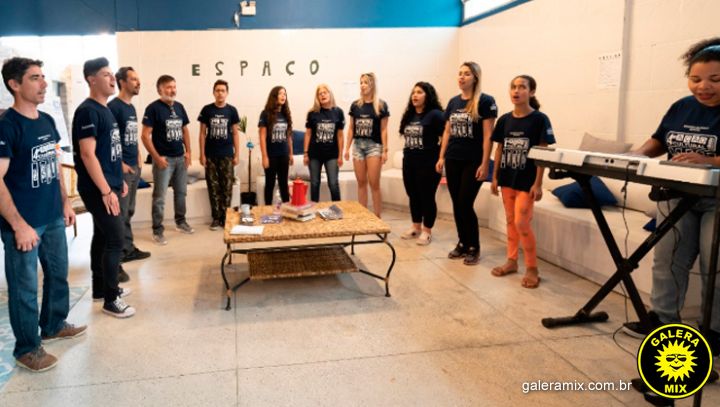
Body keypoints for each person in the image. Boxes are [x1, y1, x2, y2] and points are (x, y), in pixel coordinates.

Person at [621, 37, 720, 399]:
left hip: (715, 200)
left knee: (714, 268)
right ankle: (664, 330)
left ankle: (710, 343)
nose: (703, 86)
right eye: (695, 79)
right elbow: (658, 141)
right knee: (667, 263)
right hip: (676, 195)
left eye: (715, 79)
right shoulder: (681, 107)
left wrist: (708, 160)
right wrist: (635, 155)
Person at [0, 57, 86, 372]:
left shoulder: (47, 120)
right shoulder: (7, 126)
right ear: (14, 84)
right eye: (35, 78)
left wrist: (64, 203)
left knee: (58, 273)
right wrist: (18, 225)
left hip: (52, 216)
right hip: (23, 222)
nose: (44, 83)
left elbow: (55, 167)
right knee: (24, 288)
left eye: (43, 76)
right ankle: (27, 349)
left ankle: (53, 324)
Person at [72, 57, 135, 318]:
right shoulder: (88, 111)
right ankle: (111, 299)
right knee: (116, 239)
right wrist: (106, 191)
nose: (112, 79)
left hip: (109, 183)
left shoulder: (105, 109)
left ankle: (101, 289)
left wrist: (118, 180)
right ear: (91, 79)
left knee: (102, 236)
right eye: (106, 75)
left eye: (112, 74)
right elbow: (87, 155)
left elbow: (109, 151)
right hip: (97, 188)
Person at [490, 75, 555, 288]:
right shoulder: (504, 120)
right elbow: (499, 149)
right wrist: (495, 177)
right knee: (510, 221)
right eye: (513, 87)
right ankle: (511, 261)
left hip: (527, 182)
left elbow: (543, 153)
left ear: (532, 91)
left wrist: (538, 183)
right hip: (507, 179)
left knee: (521, 223)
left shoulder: (540, 119)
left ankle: (532, 267)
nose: (516, 91)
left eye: (522, 87)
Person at [435, 62, 497, 265]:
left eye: (467, 74)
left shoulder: (485, 101)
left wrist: (485, 164)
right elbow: (447, 131)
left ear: (475, 78)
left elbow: (488, 135)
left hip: (473, 160)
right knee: (457, 203)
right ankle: (462, 242)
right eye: (460, 73)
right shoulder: (453, 102)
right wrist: (441, 157)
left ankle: (473, 246)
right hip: (453, 158)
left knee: (465, 203)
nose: (461, 77)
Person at [141, 74, 194, 245]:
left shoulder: (179, 107)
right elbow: (145, 136)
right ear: (160, 90)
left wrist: (189, 152)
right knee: (160, 197)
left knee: (181, 193)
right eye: (168, 87)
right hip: (164, 161)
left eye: (174, 86)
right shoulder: (153, 109)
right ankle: (157, 231)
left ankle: (181, 222)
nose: (172, 90)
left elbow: (185, 130)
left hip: (180, 158)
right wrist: (156, 158)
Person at [108, 67, 150, 268]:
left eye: (138, 79)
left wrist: (139, 155)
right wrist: (121, 165)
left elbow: (131, 136)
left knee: (129, 210)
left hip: (134, 166)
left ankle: (128, 248)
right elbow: (110, 140)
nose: (138, 82)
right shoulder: (113, 107)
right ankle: (119, 254)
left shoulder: (131, 108)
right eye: (133, 79)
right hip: (122, 169)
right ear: (122, 82)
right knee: (121, 213)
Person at [398, 82, 444, 245]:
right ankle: (416, 227)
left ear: (428, 96)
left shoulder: (435, 115)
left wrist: (441, 158)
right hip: (409, 161)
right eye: (413, 93)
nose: (415, 95)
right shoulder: (410, 115)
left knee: (427, 196)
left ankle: (427, 230)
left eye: (419, 92)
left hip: (428, 163)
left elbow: (446, 136)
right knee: (413, 194)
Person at [344, 73, 389, 217]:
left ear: (372, 85)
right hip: (358, 146)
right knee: (361, 182)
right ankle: (363, 216)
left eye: (366, 83)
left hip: (374, 146)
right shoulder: (355, 105)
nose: (362, 85)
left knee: (374, 183)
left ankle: (377, 217)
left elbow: (384, 129)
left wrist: (385, 150)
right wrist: (347, 148)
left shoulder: (381, 105)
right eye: (361, 82)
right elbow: (351, 128)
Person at [198, 79, 240, 229]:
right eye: (217, 90)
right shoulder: (207, 110)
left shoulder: (232, 111)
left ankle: (226, 217)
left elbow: (235, 133)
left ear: (227, 93)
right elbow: (202, 133)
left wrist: (237, 154)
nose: (220, 93)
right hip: (210, 155)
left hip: (227, 154)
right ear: (213, 92)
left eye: (223, 90)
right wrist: (202, 154)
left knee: (227, 187)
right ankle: (216, 218)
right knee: (213, 187)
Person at [303, 84, 345, 202]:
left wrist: (340, 156)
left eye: (324, 92)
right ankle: (314, 208)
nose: (322, 95)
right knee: (315, 183)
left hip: (332, 155)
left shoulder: (338, 112)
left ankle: (337, 208)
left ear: (330, 94)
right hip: (314, 155)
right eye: (320, 94)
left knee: (333, 183)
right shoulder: (312, 113)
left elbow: (340, 136)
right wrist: (305, 154)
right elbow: (308, 134)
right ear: (317, 97)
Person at [258, 86, 293, 204]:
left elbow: (289, 136)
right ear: (274, 96)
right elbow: (262, 136)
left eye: (285, 94)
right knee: (270, 184)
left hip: (284, 155)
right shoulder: (265, 114)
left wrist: (291, 154)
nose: (283, 96)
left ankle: (286, 208)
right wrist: (264, 157)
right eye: (280, 93)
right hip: (271, 155)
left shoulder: (285, 114)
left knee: (284, 184)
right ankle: (267, 209)